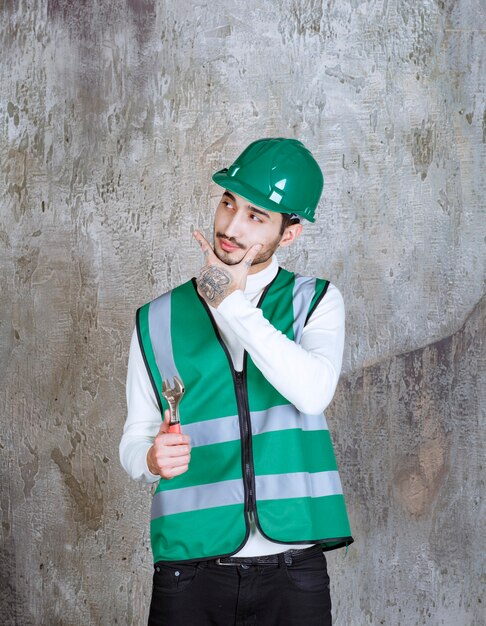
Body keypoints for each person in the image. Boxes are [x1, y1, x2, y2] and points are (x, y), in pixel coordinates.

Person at [119, 138, 353, 626]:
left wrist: (230, 302)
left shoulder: (315, 303)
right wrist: (148, 457)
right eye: (229, 203)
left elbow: (312, 392)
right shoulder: (156, 319)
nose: (230, 226)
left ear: (288, 234)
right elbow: (136, 438)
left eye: (255, 215)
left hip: (294, 569)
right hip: (190, 569)